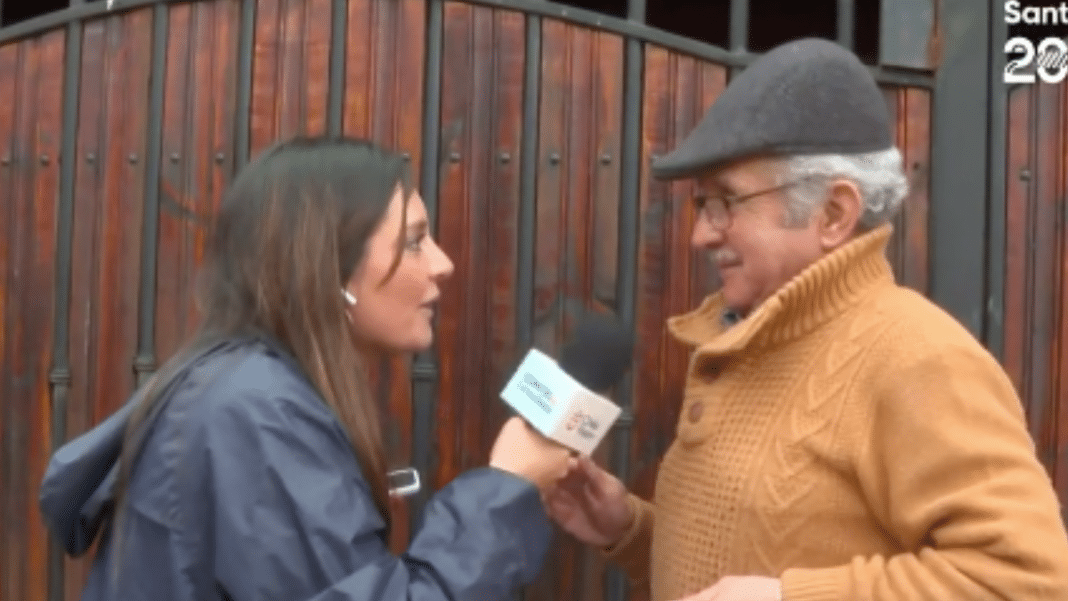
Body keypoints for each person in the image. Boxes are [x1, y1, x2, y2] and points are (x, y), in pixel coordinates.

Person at [545, 38, 1068, 601]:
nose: (700, 234)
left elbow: (1027, 580)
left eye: (726, 202)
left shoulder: (919, 356)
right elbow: (747, 561)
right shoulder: (753, 340)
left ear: (834, 213)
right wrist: (627, 530)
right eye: (701, 205)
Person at [39, 136, 571, 601]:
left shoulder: (247, 390)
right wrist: (507, 487)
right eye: (413, 241)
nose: (443, 263)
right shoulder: (256, 412)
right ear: (327, 264)